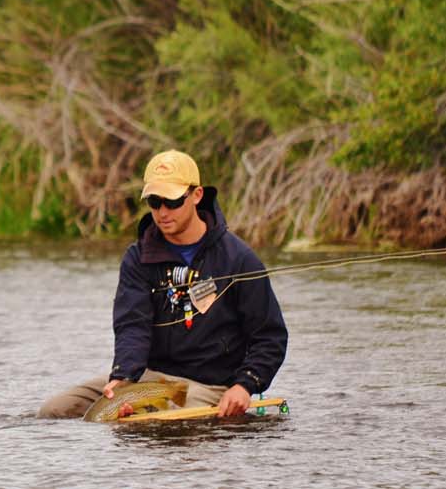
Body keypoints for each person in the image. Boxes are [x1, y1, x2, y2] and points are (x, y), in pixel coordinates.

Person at [38, 150, 287, 418]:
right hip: (148, 378)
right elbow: (132, 326)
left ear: (197, 196)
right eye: (154, 202)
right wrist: (123, 376)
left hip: (211, 384)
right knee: (54, 411)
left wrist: (245, 385)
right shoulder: (138, 257)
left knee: (155, 425)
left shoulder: (239, 258)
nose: (163, 212)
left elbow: (270, 337)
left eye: (172, 201)